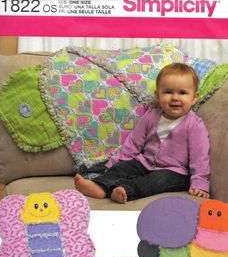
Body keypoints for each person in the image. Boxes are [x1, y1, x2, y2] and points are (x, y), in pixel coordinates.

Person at [74, 62, 210, 203]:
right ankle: (100, 186)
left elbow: (199, 157)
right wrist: (114, 162)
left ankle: (125, 191)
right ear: (158, 95)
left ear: (194, 97)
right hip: (145, 163)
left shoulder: (195, 125)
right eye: (168, 92)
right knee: (124, 168)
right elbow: (133, 143)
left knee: (157, 180)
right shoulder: (151, 116)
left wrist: (199, 182)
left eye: (182, 93)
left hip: (175, 172)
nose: (175, 97)